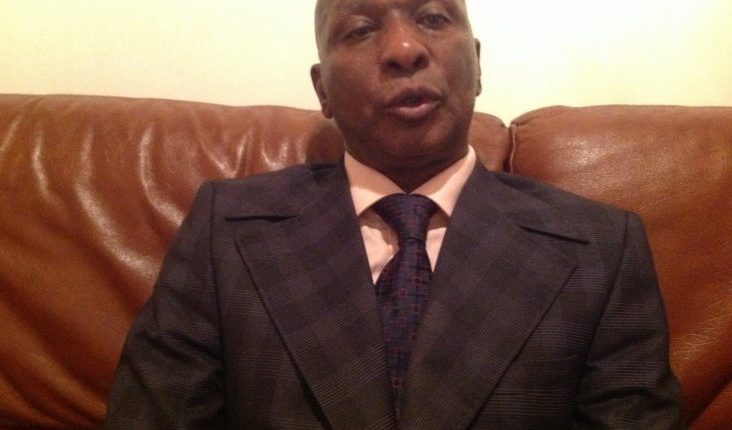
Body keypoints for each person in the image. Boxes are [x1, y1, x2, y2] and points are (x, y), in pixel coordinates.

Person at [104, 0, 684, 428]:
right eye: (360, 29)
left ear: (478, 64)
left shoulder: (600, 248)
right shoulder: (226, 230)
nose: (405, 49)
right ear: (322, 90)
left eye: (433, 17)